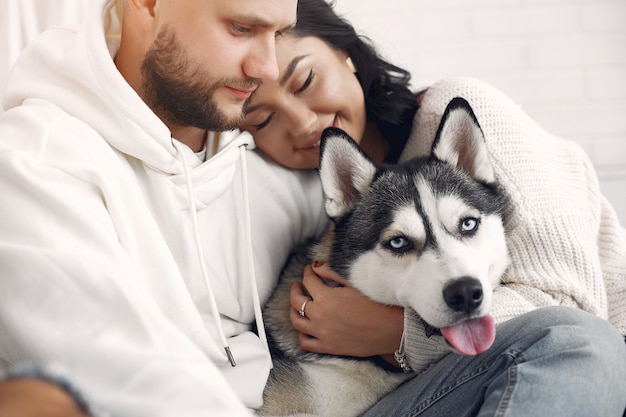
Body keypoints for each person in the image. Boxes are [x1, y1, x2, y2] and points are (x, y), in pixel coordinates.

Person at [240, 0, 626, 415]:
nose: (302, 124)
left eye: (306, 81)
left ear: (345, 52)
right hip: (427, 391)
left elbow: (569, 309)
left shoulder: (459, 112)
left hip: (586, 363)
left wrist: (398, 336)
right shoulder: (307, 191)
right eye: (262, 119)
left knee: (579, 340)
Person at [0, 0, 329, 416]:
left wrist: (399, 337)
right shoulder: (35, 163)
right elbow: (122, 375)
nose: (267, 68)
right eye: (243, 28)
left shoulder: (261, 150)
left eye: (279, 34)